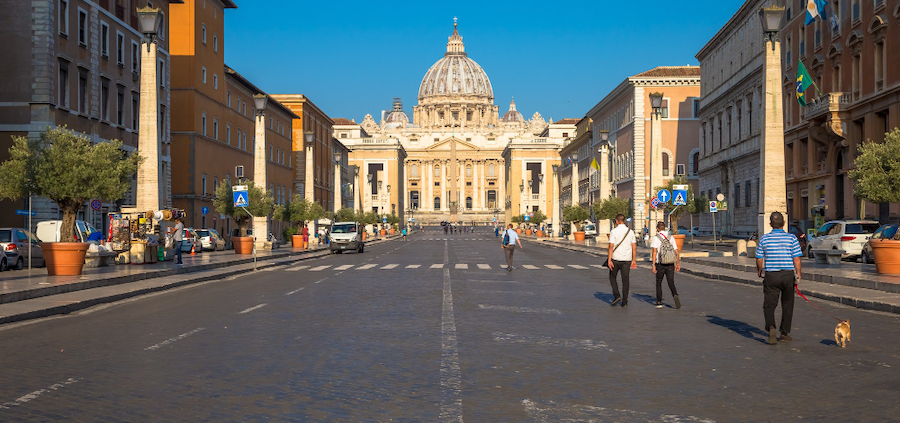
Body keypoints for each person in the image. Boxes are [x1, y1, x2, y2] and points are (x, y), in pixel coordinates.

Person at [755, 211, 802, 345]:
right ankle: (785, 333)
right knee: (788, 304)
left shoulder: (764, 239)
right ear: (784, 223)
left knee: (769, 304)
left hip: (771, 275)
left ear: (770, 224)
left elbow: (759, 258)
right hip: (787, 275)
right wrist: (798, 274)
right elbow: (797, 258)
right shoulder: (792, 238)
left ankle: (771, 327)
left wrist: (760, 270)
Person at [607, 214, 637, 307]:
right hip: (627, 259)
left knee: (612, 277)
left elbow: (611, 246)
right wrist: (634, 260)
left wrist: (609, 259)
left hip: (616, 258)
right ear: (624, 220)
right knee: (625, 280)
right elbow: (634, 247)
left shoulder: (614, 231)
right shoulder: (630, 232)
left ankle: (616, 295)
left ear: (616, 221)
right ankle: (625, 301)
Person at [650, 221, 681, 309]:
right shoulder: (670, 237)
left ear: (657, 228)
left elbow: (654, 251)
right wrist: (677, 263)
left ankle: (659, 301)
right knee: (671, 281)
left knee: (659, 282)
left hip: (660, 263)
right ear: (665, 228)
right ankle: (675, 294)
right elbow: (676, 251)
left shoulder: (656, 238)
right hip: (670, 262)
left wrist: (653, 264)